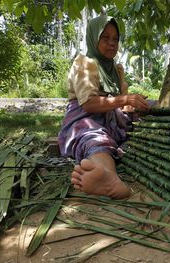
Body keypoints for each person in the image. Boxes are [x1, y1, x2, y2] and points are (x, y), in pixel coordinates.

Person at [58, 15, 149, 199]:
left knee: (151, 107)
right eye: (105, 37)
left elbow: (120, 102)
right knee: (94, 139)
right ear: (93, 38)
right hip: (84, 118)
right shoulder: (84, 63)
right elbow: (89, 104)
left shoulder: (116, 70)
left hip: (111, 118)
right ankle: (105, 174)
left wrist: (134, 106)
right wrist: (125, 100)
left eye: (115, 39)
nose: (112, 43)